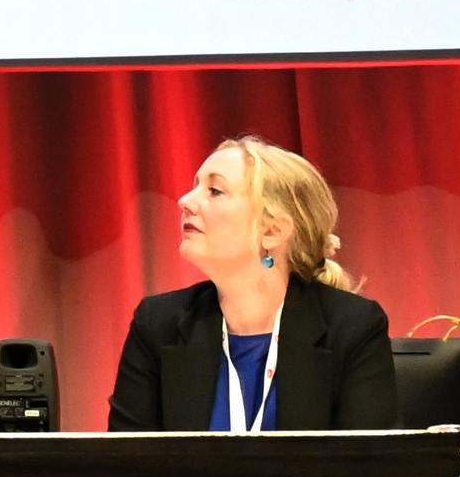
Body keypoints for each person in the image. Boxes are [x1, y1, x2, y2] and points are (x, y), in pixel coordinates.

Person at [107, 137, 398, 431]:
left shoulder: (352, 328)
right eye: (195, 186)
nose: (185, 201)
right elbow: (125, 467)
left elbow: (368, 470)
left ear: (272, 231)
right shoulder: (157, 324)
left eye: (214, 191)